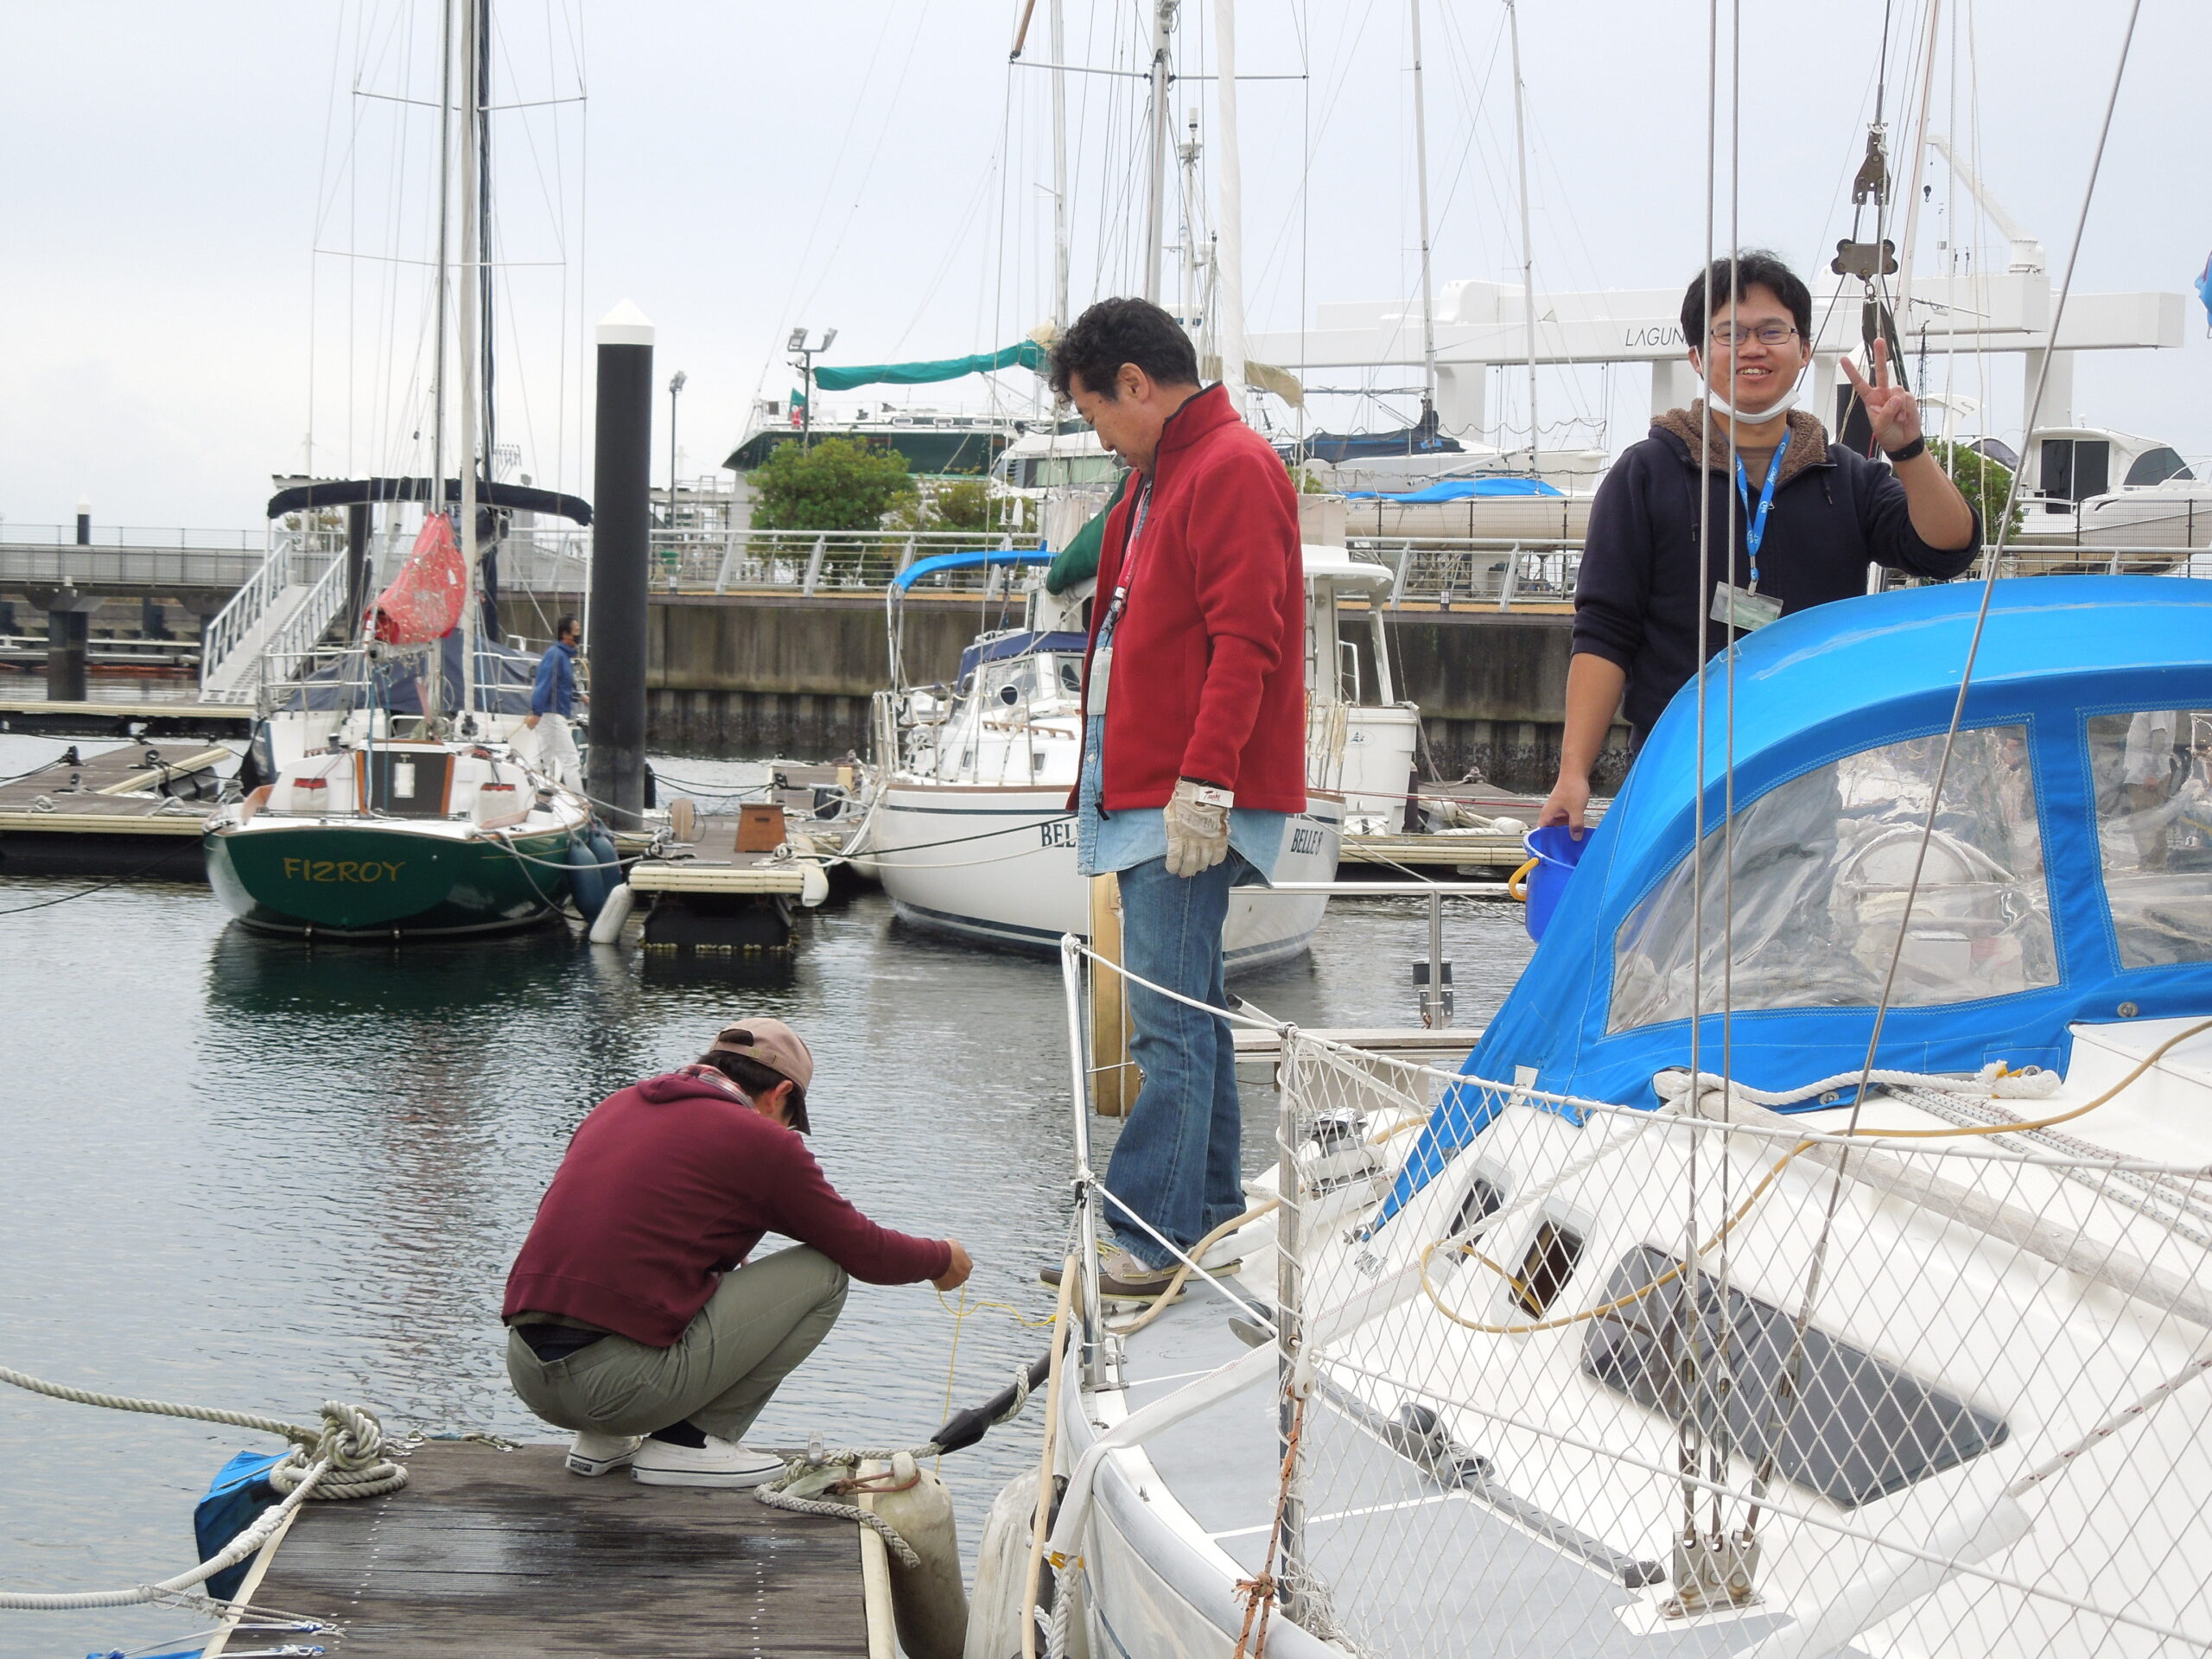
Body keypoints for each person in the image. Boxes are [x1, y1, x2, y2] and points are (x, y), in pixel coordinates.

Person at [1049, 296, 1307, 1301]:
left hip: (1180, 794)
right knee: (1188, 1014)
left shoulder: (1227, 466)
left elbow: (1248, 636)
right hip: (1160, 788)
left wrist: (1203, 781)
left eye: (1095, 414)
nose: (1099, 436)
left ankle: (1153, 1238)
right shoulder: (1171, 473)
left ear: (1133, 385)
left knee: (1167, 1023)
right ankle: (1205, 1221)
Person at [1540, 251, 1980, 833]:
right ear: (1697, 356)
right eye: (1730, 334)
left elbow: (1948, 549)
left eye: (1773, 332)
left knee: (1801, 894)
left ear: (1803, 350)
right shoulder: (1645, 474)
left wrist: (1908, 450)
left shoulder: (1847, 478)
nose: (1753, 348)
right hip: (1676, 770)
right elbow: (1605, 629)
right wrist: (1574, 772)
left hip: (1806, 768)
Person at [503, 1018, 972, 1487]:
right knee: (825, 1273)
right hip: (618, 1388)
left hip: (529, 1375)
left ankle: (602, 1441)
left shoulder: (616, 1107)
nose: (788, 1128)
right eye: (791, 1116)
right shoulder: (761, 1141)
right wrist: (940, 1257)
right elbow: (866, 1251)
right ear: (780, 1093)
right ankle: (688, 1443)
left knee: (680, 1276)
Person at [525, 614, 585, 785]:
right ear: (565, 634)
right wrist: (536, 712)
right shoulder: (556, 656)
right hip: (551, 714)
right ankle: (579, 798)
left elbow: (563, 687)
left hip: (551, 714)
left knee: (541, 758)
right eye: (576, 631)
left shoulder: (562, 657)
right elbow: (544, 684)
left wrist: (580, 697)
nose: (579, 635)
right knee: (571, 760)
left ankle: (530, 789)